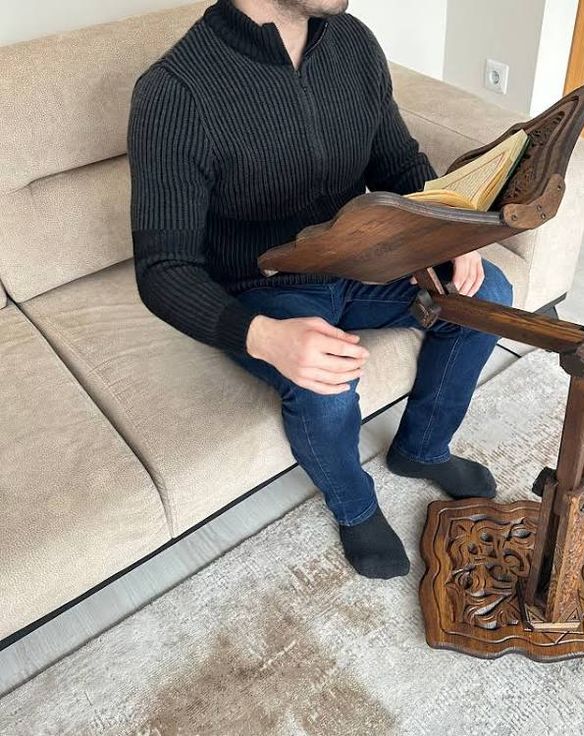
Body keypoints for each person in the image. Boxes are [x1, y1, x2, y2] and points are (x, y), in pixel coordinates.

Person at [127, 0, 513, 580]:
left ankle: (422, 449)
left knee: (486, 296)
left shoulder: (352, 41)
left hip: (364, 258)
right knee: (327, 387)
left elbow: (398, 164)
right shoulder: (174, 91)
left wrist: (447, 232)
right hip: (264, 285)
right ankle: (354, 507)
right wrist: (264, 338)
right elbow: (163, 268)